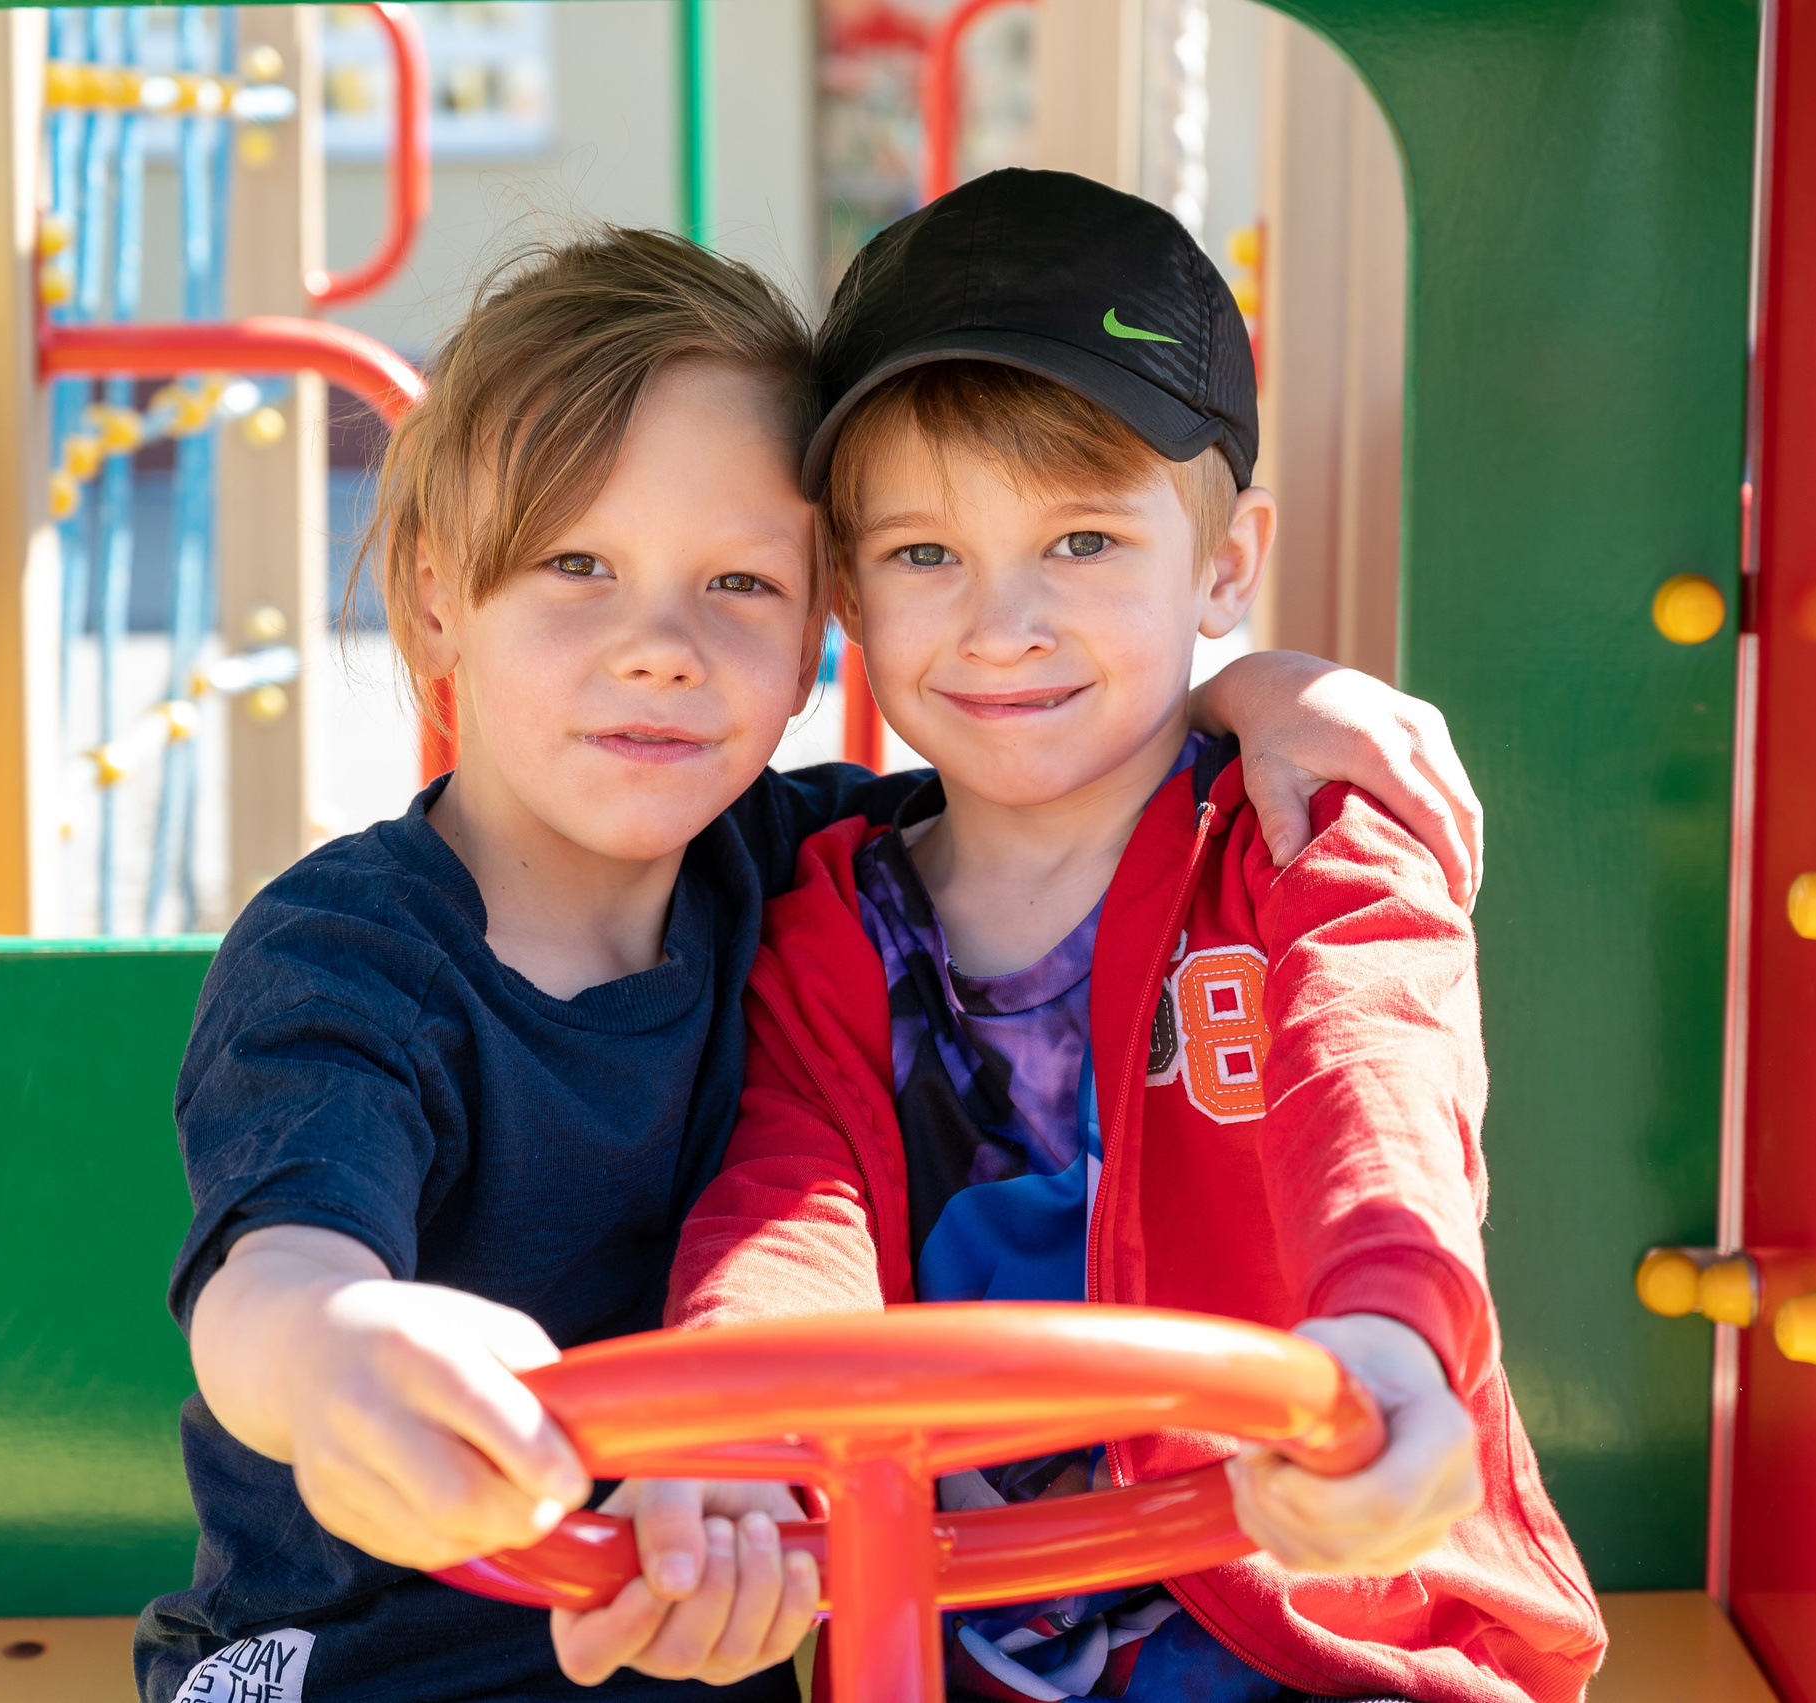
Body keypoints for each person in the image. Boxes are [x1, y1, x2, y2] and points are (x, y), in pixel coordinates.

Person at [135, 220, 1493, 1703]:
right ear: (442, 592)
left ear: (813, 641)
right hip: (367, 1663)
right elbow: (273, 1269)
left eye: (738, 586)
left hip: (712, 1626)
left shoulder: (800, 869)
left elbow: (1068, 782)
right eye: (576, 565)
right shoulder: (352, 957)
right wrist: (336, 1350)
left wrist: (1257, 686)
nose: (660, 647)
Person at [657, 171, 1605, 1702]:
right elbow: (792, 1194)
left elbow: (1374, 1088)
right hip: (956, 1627)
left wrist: (1384, 1342)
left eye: (1084, 543)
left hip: (1327, 1619)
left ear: (1225, 566)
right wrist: (740, 1434)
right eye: (923, 556)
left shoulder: (1307, 844)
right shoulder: (831, 913)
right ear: (847, 589)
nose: (1001, 622)